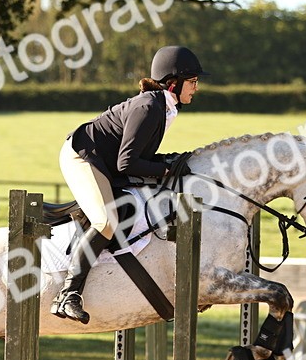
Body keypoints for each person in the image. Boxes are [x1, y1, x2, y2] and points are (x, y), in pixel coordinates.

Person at [51, 45, 206, 324]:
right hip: (82, 156)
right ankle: (68, 294)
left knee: (131, 206)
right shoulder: (149, 107)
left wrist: (169, 161)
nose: (196, 87)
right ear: (173, 82)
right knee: (106, 220)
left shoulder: (162, 107)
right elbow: (127, 163)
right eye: (192, 81)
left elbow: (137, 157)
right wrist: (166, 169)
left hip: (105, 162)